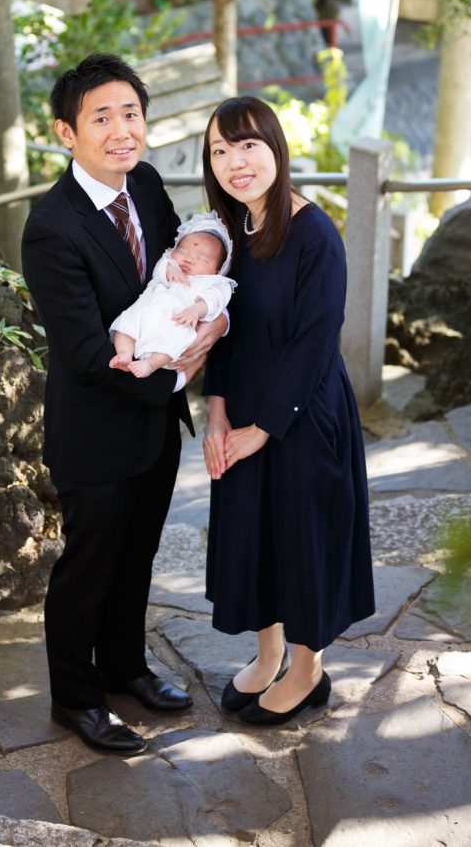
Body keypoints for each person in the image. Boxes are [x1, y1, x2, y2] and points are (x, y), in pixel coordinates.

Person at [21, 53, 227, 755]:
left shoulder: (142, 182)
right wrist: (177, 370)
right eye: (100, 117)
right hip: (94, 430)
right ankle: (74, 699)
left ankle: (125, 668)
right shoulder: (51, 227)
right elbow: (83, 351)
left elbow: (175, 272)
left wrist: (203, 328)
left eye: (130, 114)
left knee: (136, 554)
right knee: (88, 566)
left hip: (153, 421)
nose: (121, 130)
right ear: (64, 132)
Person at [201, 95, 375, 726]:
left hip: (303, 418)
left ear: (275, 147)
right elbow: (221, 329)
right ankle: (268, 651)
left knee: (302, 540)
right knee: (256, 536)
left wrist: (261, 430)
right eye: (220, 150)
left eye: (247, 144)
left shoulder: (316, 235)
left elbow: (313, 344)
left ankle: (308, 668)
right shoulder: (228, 234)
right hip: (242, 408)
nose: (235, 162)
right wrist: (218, 414)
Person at [109, 212, 235, 378]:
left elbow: (214, 300)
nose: (189, 259)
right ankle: (125, 353)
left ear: (217, 270)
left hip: (175, 321)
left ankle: (151, 363)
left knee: (179, 338)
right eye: (183, 251)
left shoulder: (212, 283)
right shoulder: (170, 265)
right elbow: (160, 268)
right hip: (144, 313)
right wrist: (170, 268)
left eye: (202, 259)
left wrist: (197, 310)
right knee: (125, 325)